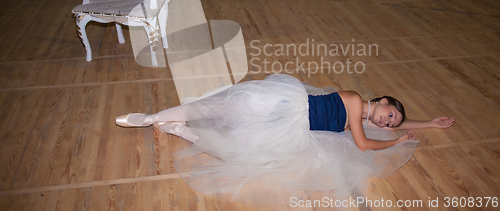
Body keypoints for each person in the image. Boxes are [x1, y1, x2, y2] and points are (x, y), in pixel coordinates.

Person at [116, 74, 454, 197]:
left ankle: (181, 130)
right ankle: (152, 117)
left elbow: (364, 135)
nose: (389, 122)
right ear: (381, 101)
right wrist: (395, 141)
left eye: (392, 124)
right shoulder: (353, 100)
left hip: (294, 129)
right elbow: (363, 144)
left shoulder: (362, 120)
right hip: (286, 105)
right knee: (222, 109)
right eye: (391, 114)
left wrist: (429, 125)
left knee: (238, 152)